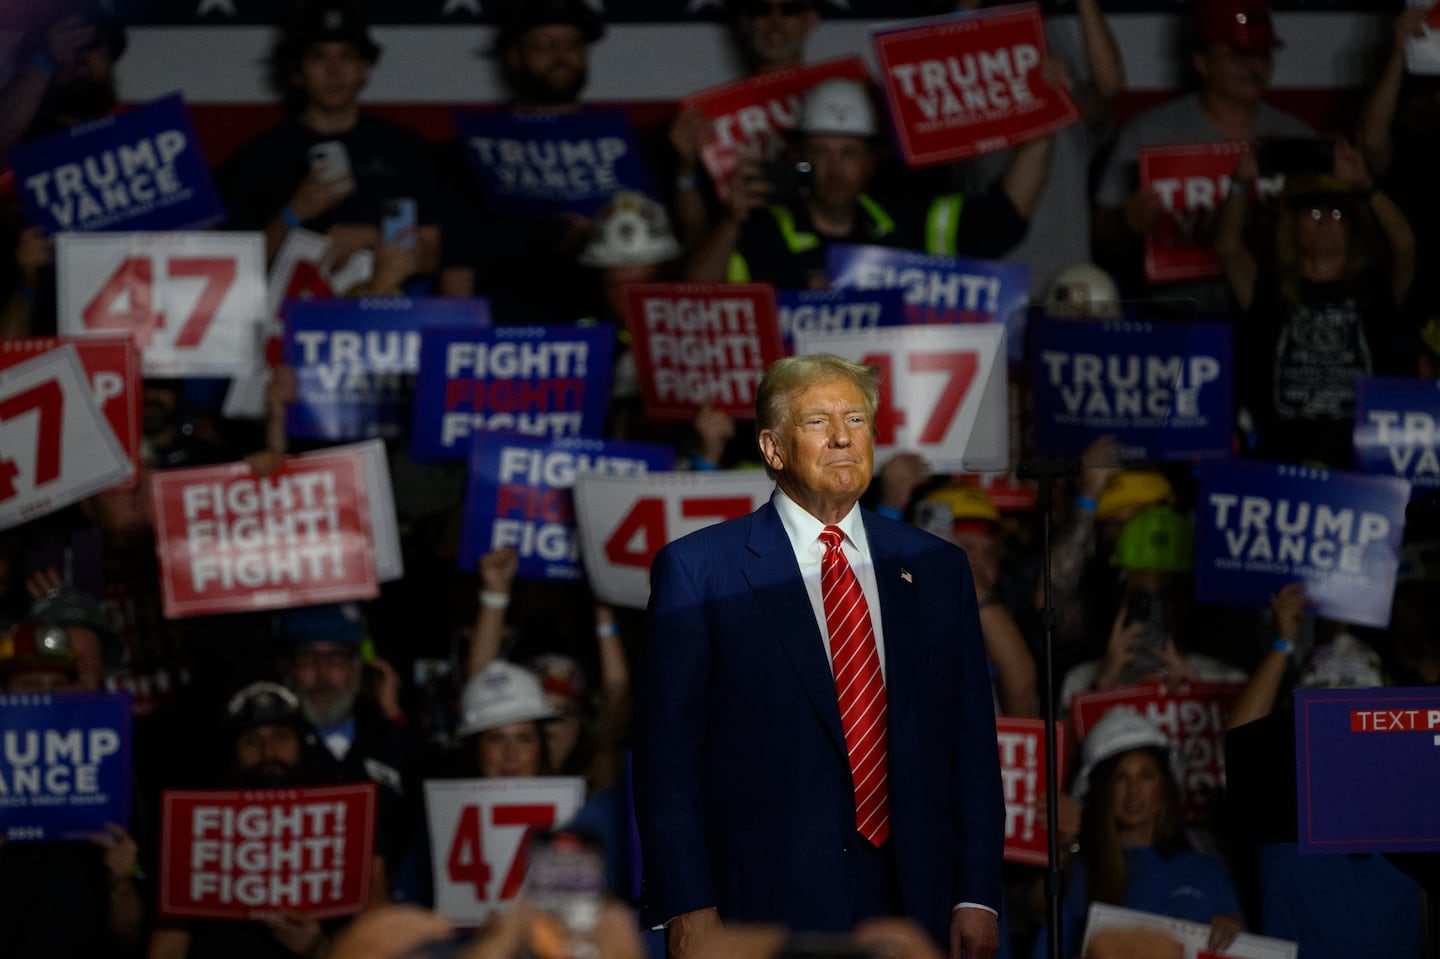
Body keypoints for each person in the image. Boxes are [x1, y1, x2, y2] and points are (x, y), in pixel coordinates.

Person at [635, 354, 1004, 958]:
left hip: (918, 897)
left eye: (856, 419)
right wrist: (686, 904)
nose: (841, 436)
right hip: (764, 904)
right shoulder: (702, 571)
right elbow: (666, 757)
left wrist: (978, 894)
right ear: (773, 448)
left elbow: (971, 744)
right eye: (816, 421)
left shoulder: (937, 567)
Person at [687, 78, 1053, 289]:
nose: (835, 169)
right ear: (798, 156)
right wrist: (732, 220)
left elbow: (1005, 217)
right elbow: (690, 304)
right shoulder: (763, 232)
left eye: (848, 153)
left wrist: (1046, 117)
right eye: (821, 152)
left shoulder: (906, 223)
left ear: (869, 162)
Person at [1093, 0, 1310, 307]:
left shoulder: (1298, 138)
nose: (1254, 67)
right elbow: (1102, 235)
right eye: (1238, 54)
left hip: (1272, 319)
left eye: (1262, 54)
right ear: (1201, 63)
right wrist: (1126, 222)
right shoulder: (1148, 134)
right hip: (1174, 320)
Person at [149, 681, 387, 959]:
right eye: (252, 741)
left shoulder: (348, 820)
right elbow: (168, 944)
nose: (268, 753)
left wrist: (318, 948)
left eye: (281, 738)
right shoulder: (195, 826)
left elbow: (380, 942)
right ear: (233, 753)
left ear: (302, 744)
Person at [1216, 143, 1416, 467]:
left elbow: (1405, 245)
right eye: (1313, 212)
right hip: (1281, 455)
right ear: (1293, 224)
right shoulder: (1268, 286)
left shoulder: (1375, 285)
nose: (1324, 222)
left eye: (1336, 214)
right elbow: (1227, 248)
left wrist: (1367, 185)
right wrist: (1240, 183)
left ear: (1350, 227)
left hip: (1363, 457)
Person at [218, 0, 440, 279]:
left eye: (346, 56)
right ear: (297, 71)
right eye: (319, 57)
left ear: (364, 67)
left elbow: (432, 253)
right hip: (287, 314)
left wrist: (372, 237)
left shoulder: (403, 148)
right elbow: (231, 269)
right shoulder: (259, 158)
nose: (334, 71)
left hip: (385, 315)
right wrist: (293, 214)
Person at [950, 0, 1126, 297]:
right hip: (992, 284)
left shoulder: (1060, 54)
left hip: (1068, 283)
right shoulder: (963, 60)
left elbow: (1110, 88)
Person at [1033, 710, 1243, 958]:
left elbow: (1248, 948)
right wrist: (1063, 850)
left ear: (1164, 786)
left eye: (1146, 776)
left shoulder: (1206, 872)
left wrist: (1232, 930)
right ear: (1103, 792)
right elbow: (1039, 917)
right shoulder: (1080, 870)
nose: (1134, 791)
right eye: (1120, 778)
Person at [0, 620, 144, 957]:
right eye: (31, 685)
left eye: (58, 685)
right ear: (5, 695)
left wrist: (121, 883)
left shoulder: (107, 776)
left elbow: (131, 934)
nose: (48, 698)